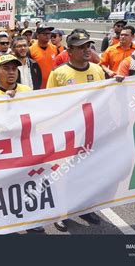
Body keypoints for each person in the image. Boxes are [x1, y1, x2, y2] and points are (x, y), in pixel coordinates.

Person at [46, 31, 105, 231]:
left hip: (90, 132)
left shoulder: (98, 70)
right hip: (67, 134)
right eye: (81, 46)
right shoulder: (59, 73)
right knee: (63, 174)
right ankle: (60, 212)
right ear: (69, 50)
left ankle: (84, 208)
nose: (86, 49)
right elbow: (50, 105)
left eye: (87, 45)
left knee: (87, 172)